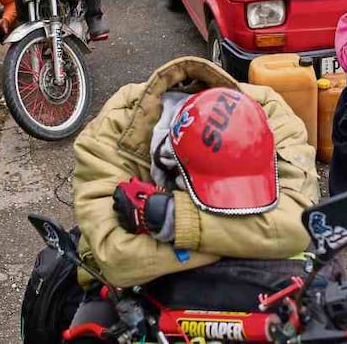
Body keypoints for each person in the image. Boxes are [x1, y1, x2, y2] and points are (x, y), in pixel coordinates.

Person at [68, 57, 321, 336]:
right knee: (87, 330)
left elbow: (297, 227)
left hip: (186, 263)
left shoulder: (271, 115)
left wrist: (174, 221)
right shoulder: (109, 134)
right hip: (135, 286)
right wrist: (249, 239)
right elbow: (118, 259)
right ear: (172, 166)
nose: (235, 207)